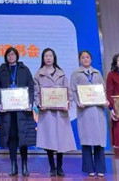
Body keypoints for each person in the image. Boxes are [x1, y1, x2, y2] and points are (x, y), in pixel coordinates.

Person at [0, 46, 37, 177]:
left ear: (17, 56)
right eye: (9, 55)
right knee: (12, 138)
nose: (11, 56)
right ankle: (13, 165)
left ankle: (24, 165)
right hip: (8, 112)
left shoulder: (24, 69)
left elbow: (31, 86)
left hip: (22, 111)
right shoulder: (2, 70)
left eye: (13, 54)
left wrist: (30, 102)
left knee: (23, 138)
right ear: (6, 57)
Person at [34, 48, 76, 177]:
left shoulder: (61, 74)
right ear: (43, 58)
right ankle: (52, 167)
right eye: (46, 56)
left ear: (54, 58)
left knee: (60, 140)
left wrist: (68, 103)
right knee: (49, 139)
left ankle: (60, 166)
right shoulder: (38, 75)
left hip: (60, 112)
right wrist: (39, 104)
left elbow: (68, 92)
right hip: (46, 112)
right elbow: (35, 93)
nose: (48, 58)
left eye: (50, 56)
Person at [70, 50, 108, 178]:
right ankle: (89, 168)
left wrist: (104, 100)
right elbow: (73, 90)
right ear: (79, 60)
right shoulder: (76, 73)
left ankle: (100, 168)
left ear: (91, 59)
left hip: (98, 110)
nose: (85, 59)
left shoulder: (97, 73)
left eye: (87, 57)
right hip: (84, 111)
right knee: (86, 140)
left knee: (99, 140)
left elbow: (103, 89)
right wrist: (78, 102)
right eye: (83, 57)